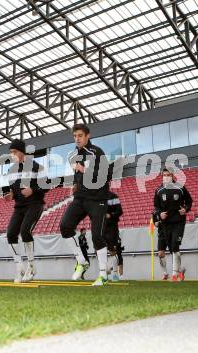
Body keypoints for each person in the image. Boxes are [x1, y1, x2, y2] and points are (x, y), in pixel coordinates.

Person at [60, 123, 113, 286]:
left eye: (80, 136)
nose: (77, 139)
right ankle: (82, 262)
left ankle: (103, 274)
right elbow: (78, 175)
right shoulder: (73, 155)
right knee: (65, 226)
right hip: (80, 198)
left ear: (88, 136)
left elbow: (108, 174)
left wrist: (84, 170)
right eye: (75, 136)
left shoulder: (97, 152)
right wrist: (76, 184)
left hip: (98, 199)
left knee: (97, 235)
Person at [5, 139, 46, 283]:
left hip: (35, 204)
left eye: (14, 152)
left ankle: (31, 266)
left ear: (22, 152)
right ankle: (19, 267)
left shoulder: (36, 167)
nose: (12, 155)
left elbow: (46, 185)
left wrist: (33, 189)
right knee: (10, 234)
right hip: (19, 206)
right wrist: (10, 195)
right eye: (10, 152)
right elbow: (12, 189)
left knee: (25, 231)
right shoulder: (10, 170)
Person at [153, 167, 193, 282]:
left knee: (175, 245)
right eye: (165, 175)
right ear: (162, 176)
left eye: (169, 175)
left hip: (178, 222)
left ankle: (174, 275)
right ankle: (180, 270)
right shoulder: (159, 190)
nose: (166, 177)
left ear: (173, 175)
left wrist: (185, 209)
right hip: (165, 224)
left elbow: (189, 201)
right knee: (171, 249)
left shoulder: (180, 187)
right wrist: (160, 214)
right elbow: (156, 207)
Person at [104, 190, 123, 282]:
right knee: (100, 250)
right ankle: (104, 273)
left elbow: (119, 211)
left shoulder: (113, 196)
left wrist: (110, 215)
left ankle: (115, 274)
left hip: (111, 227)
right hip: (99, 227)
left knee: (113, 251)